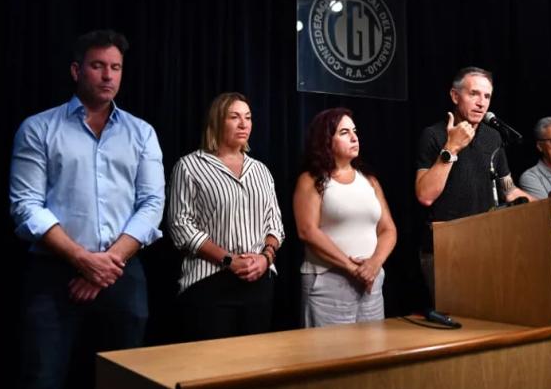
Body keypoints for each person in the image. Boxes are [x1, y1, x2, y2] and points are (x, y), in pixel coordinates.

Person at [9, 29, 165, 389]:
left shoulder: (142, 133)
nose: (108, 76)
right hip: (53, 274)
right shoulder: (38, 128)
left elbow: (151, 204)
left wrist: (103, 266)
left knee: (127, 388)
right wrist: (82, 259)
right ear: (77, 70)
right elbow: (26, 205)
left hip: (122, 273)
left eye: (116, 67)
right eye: (98, 66)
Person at [167, 92, 284, 341]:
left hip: (258, 283)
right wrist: (230, 260)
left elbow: (275, 224)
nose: (244, 124)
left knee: (254, 369)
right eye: (234, 117)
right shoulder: (189, 166)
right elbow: (181, 227)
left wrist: (265, 258)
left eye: (248, 117)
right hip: (209, 283)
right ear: (218, 121)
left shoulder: (261, 170)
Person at [415, 67, 531, 299]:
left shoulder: (493, 137)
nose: (481, 102)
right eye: (474, 94)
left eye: (487, 96)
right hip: (446, 249)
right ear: (455, 96)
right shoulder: (434, 135)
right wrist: (451, 148)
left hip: (486, 246)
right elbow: (425, 195)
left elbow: (508, 190)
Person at [293, 108, 397, 327]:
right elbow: (307, 230)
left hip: (371, 284)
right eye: (344, 132)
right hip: (328, 284)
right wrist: (354, 269)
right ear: (325, 140)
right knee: (330, 357)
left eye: (355, 131)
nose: (354, 137)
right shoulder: (311, 179)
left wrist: (374, 264)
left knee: (372, 355)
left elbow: (388, 229)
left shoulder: (369, 180)